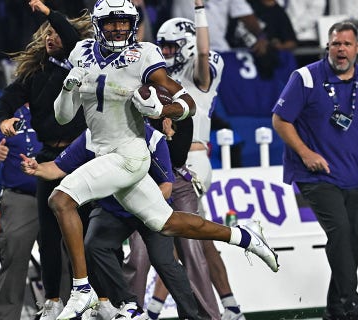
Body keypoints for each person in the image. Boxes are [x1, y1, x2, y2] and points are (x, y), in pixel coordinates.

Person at [43, 0, 279, 318]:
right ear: (99, 24)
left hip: (128, 154)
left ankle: (83, 290)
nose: (118, 28)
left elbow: (186, 102)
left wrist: (162, 110)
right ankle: (244, 235)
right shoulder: (82, 53)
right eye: (111, 22)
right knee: (166, 223)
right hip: (105, 152)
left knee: (61, 199)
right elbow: (63, 110)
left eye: (124, 22)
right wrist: (67, 82)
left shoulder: (144, 54)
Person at [272, 21, 358, 320]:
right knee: (339, 232)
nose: (341, 49)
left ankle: (335, 308)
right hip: (315, 174)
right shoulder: (306, 77)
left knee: (355, 240)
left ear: (357, 48)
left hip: (352, 174)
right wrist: (306, 152)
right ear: (328, 46)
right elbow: (280, 120)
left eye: (347, 44)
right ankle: (352, 303)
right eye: (336, 44)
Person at [133, 8, 246, 320]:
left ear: (187, 45)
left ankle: (156, 308)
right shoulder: (163, 78)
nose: (166, 53)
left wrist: (199, 10)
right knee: (198, 238)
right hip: (164, 158)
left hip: (192, 160)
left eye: (172, 47)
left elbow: (206, 51)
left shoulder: (200, 72)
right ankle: (230, 304)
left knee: (181, 234)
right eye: (164, 47)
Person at [23, 124, 203, 319]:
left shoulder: (151, 138)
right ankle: (128, 304)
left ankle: (191, 315)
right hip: (113, 209)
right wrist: (38, 168)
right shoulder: (92, 136)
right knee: (94, 245)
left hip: (150, 207)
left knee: (163, 260)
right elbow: (58, 168)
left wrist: (141, 206)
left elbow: (166, 187)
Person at [0, 1, 91, 319]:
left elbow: (72, 38)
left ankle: (96, 299)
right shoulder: (36, 72)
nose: (50, 36)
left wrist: (50, 15)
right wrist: (3, 118)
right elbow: (7, 98)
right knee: (48, 236)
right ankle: (53, 300)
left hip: (80, 157)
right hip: (49, 156)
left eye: (55, 32)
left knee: (87, 235)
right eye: (46, 32)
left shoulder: (81, 64)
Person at [0, 105, 43, 320]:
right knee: (13, 261)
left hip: (59, 194)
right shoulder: (7, 114)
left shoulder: (58, 105)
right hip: (20, 198)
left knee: (64, 263)